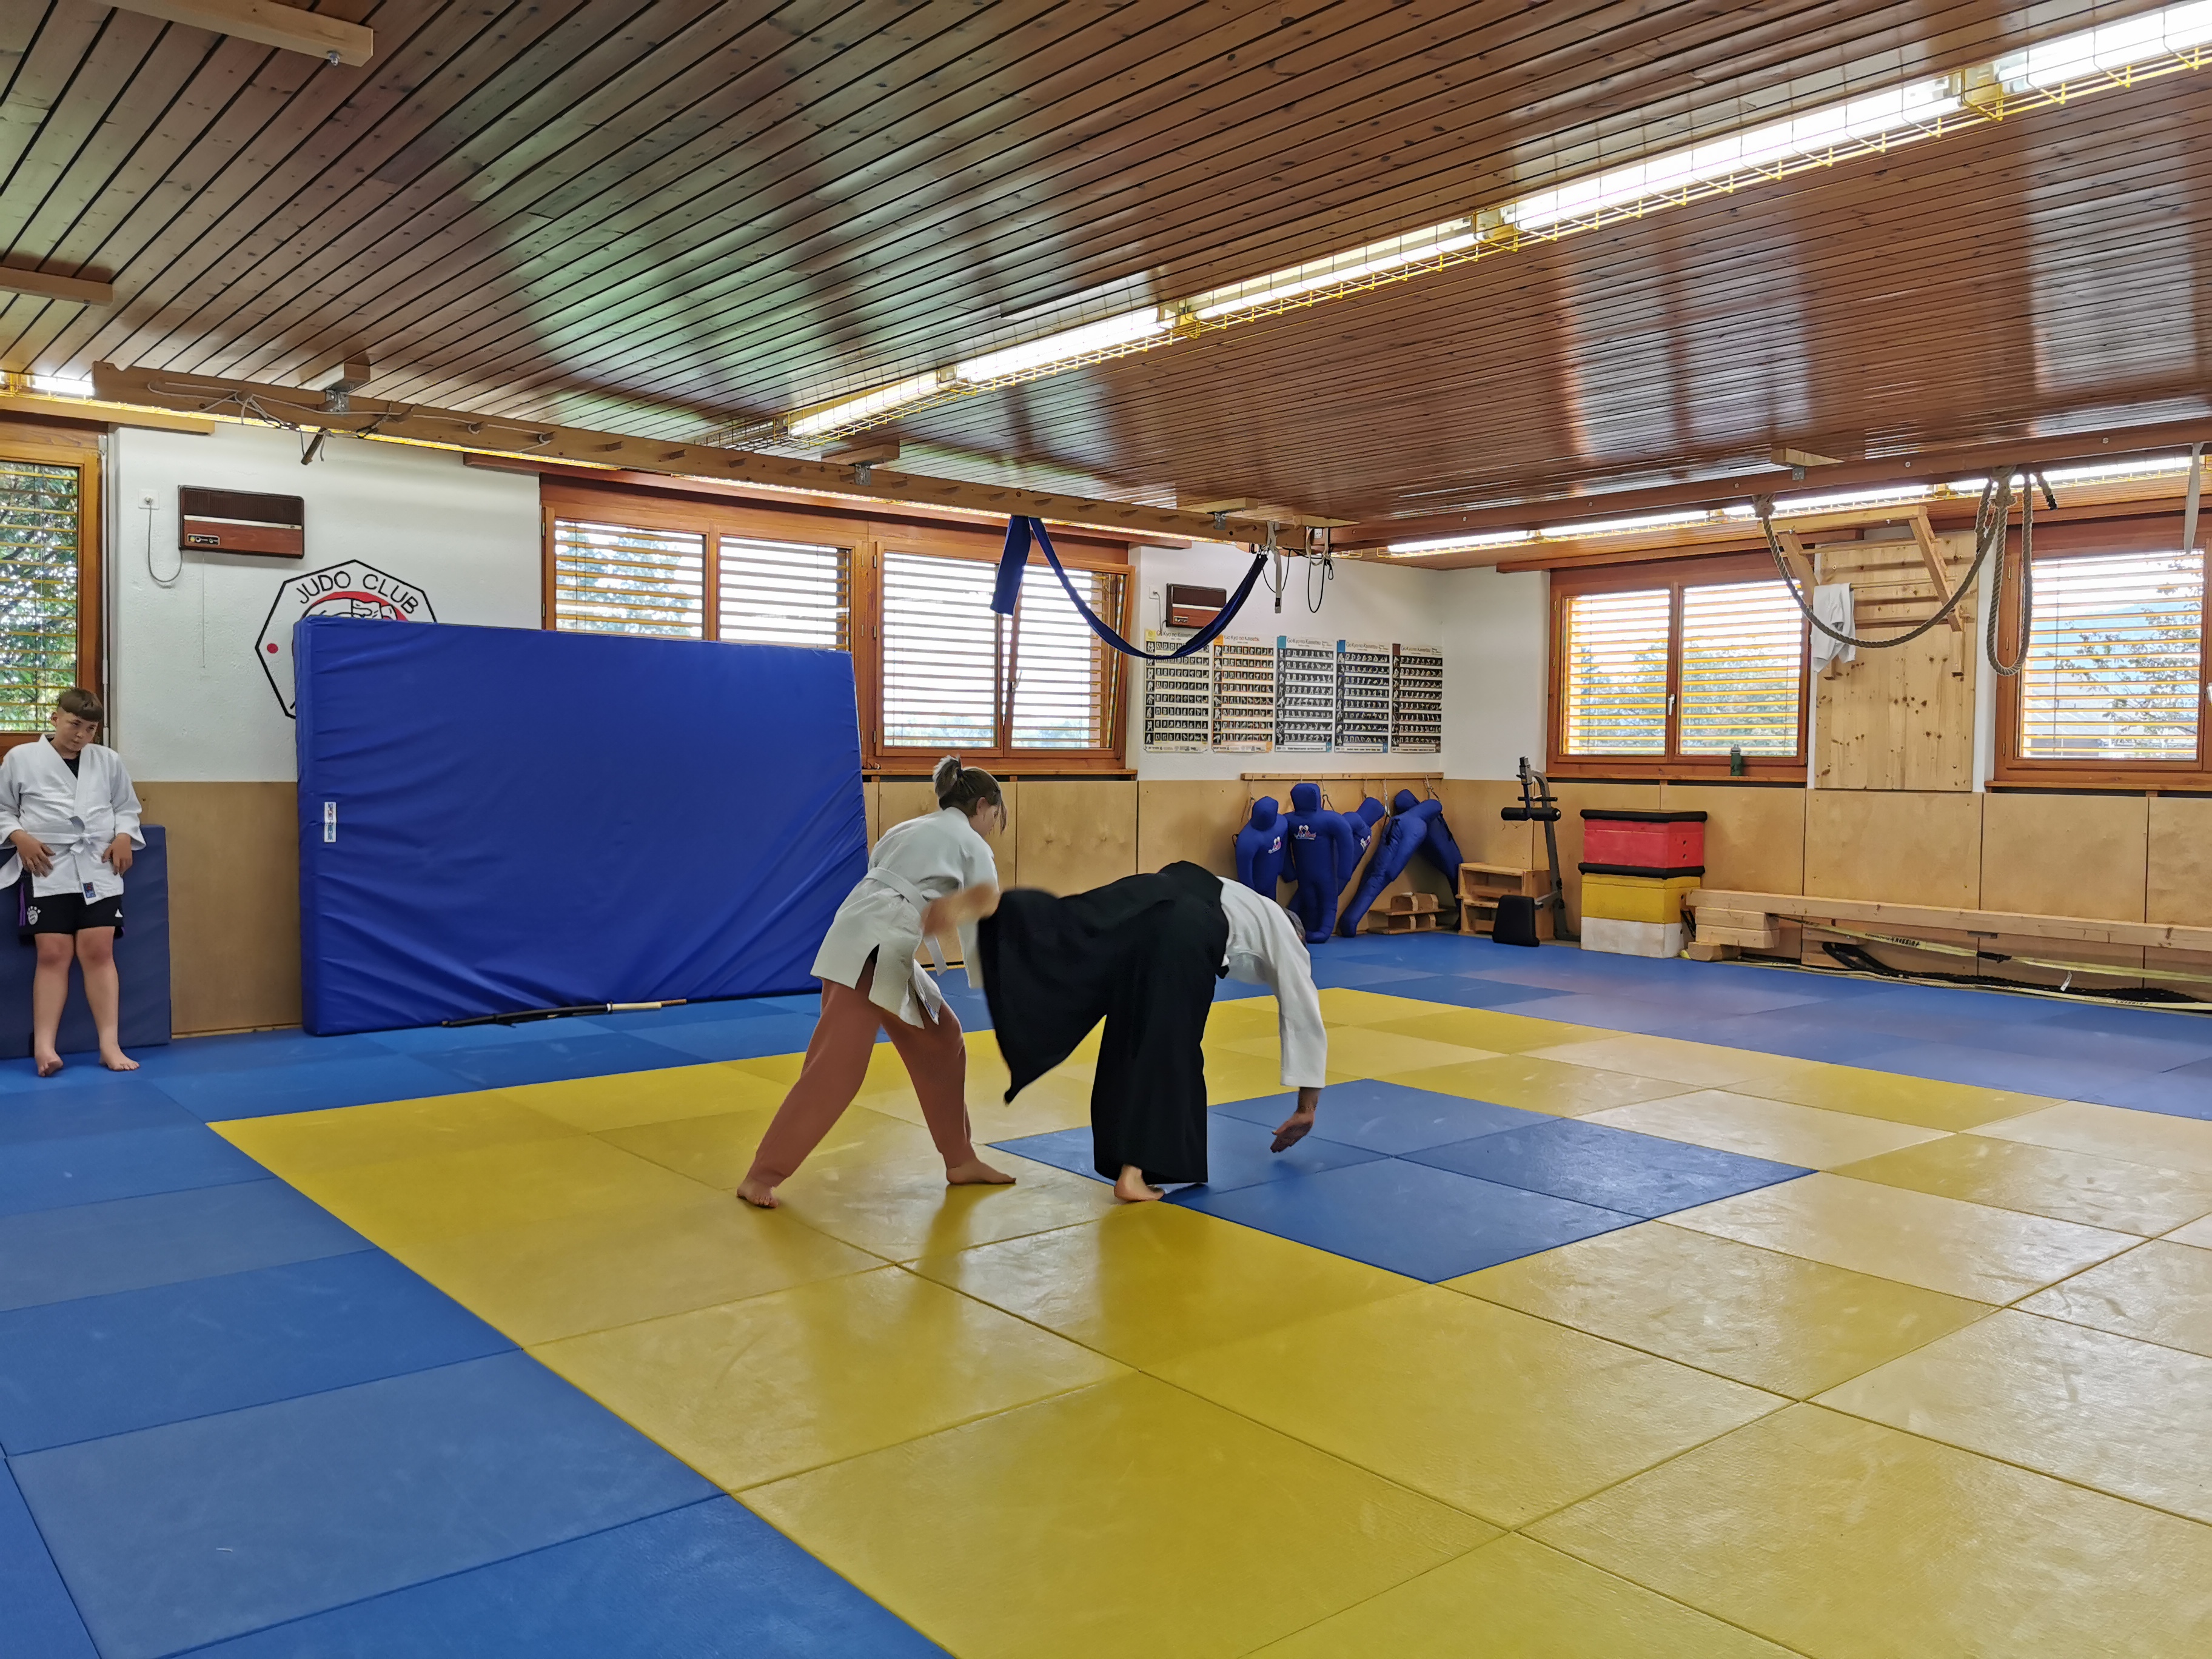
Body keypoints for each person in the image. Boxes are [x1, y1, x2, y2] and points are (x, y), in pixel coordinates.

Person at [736, 756, 1017, 1209]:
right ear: (983, 805)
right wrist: (993, 979)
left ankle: (961, 1159)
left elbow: (890, 880)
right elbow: (986, 903)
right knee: (838, 1066)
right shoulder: (970, 842)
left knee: (942, 1039)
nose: (991, 827)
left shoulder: (907, 828)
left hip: (868, 934)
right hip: (875, 944)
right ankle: (761, 1176)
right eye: (995, 816)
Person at [978, 860, 1327, 1202]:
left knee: (1113, 997)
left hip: (1146, 895)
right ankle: (1133, 1172)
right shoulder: (1287, 935)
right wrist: (1307, 1108)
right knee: (1169, 1046)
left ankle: (1007, 912)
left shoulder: (1243, 900)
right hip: (1186, 925)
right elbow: (1303, 1011)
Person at [1, 688, 144, 1076]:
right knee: (52, 954)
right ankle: (45, 1048)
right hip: (47, 866)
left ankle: (109, 1045)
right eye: (74, 724)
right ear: (55, 718)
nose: (81, 735)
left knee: (99, 952)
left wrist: (124, 836)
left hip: (99, 866)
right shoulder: (21, 758)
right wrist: (19, 837)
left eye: (90, 729)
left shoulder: (108, 761)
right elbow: (3, 809)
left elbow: (126, 807)